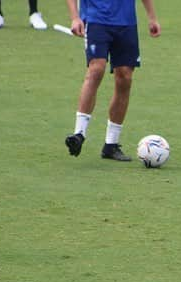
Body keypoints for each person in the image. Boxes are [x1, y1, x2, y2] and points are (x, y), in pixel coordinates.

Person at [64, 0, 161, 162]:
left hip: (126, 23)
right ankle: (79, 134)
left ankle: (111, 144)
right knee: (96, 69)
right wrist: (75, 17)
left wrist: (152, 17)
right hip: (96, 20)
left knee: (125, 77)